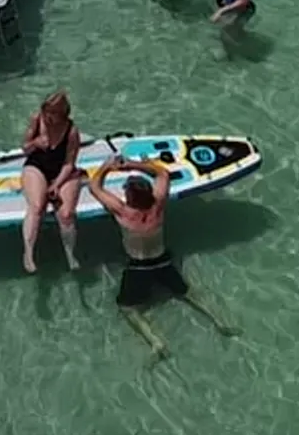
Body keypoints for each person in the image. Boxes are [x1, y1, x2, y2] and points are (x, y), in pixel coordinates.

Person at [86, 152, 236, 359]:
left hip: (138, 267)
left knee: (127, 307)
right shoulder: (158, 204)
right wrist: (133, 164)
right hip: (163, 260)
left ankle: (156, 342)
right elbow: (162, 174)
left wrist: (107, 167)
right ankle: (219, 320)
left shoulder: (122, 211)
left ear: (129, 196)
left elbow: (94, 187)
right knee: (187, 292)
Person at [19, 90, 83, 273]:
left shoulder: (71, 131)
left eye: (52, 115)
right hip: (37, 166)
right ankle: (29, 253)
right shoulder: (36, 120)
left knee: (66, 214)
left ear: (62, 114)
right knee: (37, 206)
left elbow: (69, 163)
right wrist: (34, 143)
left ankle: (70, 254)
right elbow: (24, 149)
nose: (48, 118)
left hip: (62, 170)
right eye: (46, 113)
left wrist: (56, 184)